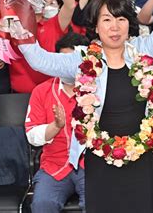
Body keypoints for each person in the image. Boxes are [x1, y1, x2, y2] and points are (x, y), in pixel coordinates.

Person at [19, 0, 153, 212]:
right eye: (107, 20)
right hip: (100, 159)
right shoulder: (82, 61)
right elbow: (40, 61)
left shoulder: (142, 52)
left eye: (121, 19)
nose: (115, 27)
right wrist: (20, 30)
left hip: (143, 157)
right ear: (96, 26)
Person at [26, 33, 90, 213]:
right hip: (54, 166)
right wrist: (55, 127)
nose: (68, 67)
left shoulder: (98, 86)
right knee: (42, 204)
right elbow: (32, 136)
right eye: (63, 61)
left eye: (73, 61)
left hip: (90, 165)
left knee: (97, 203)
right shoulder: (42, 91)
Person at [9, 0, 78, 93]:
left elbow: (69, 5)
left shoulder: (54, 24)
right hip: (19, 93)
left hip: (50, 92)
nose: (47, 6)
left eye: (51, 3)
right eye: (44, 3)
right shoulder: (16, 25)